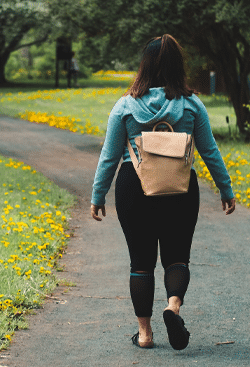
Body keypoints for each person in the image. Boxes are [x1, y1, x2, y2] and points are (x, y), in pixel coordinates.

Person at [90, 34, 236, 350]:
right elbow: (210, 151)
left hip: (134, 187)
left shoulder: (126, 105)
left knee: (140, 263)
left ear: (144, 67)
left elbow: (110, 155)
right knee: (176, 257)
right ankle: (172, 308)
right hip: (180, 188)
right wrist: (226, 190)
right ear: (177, 67)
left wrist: (98, 195)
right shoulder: (192, 104)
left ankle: (144, 334)